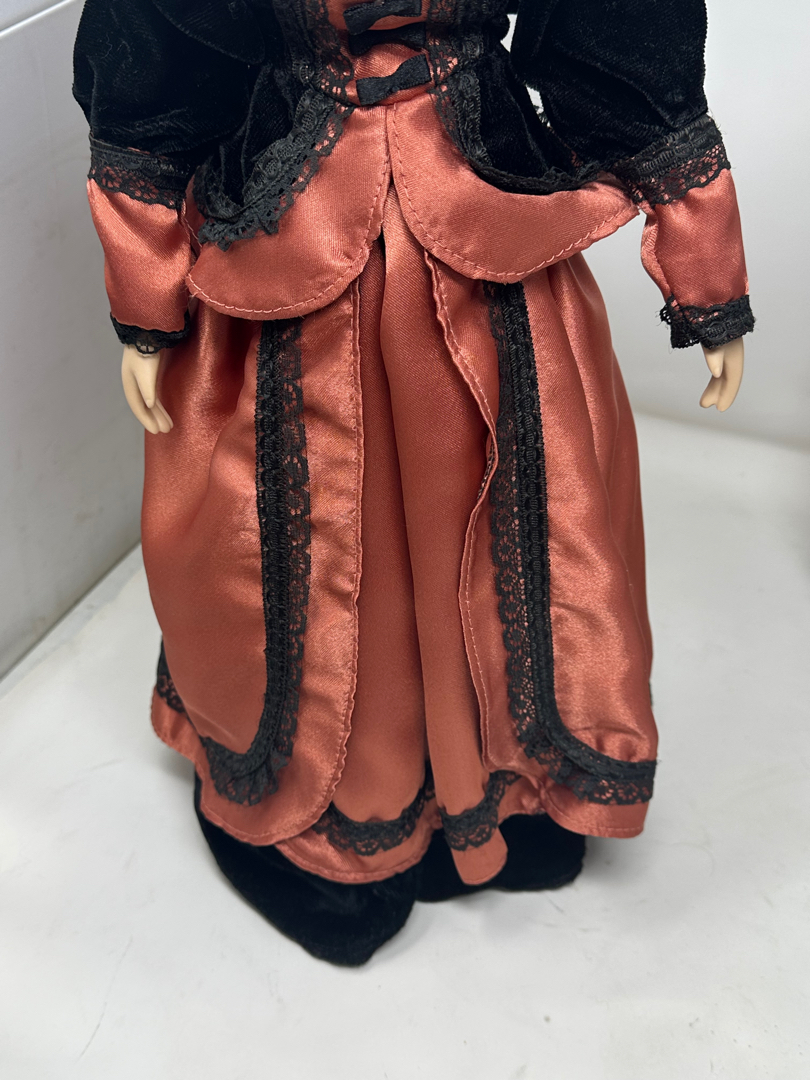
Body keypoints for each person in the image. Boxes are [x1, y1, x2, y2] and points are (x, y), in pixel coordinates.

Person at [73, 0, 753, 966]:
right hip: (289, 244)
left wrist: (702, 255)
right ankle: (341, 824)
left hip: (486, 226)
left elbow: (611, 28)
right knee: (315, 547)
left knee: (516, 522)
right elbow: (162, 48)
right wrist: (147, 288)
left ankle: (505, 792)